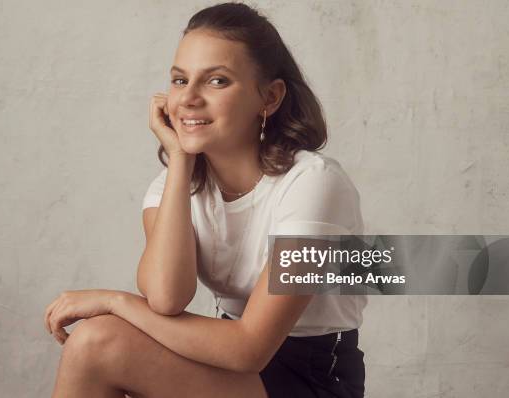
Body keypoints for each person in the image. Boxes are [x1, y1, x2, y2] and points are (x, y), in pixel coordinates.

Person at [44, 3, 366, 397]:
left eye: (216, 81)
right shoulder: (171, 188)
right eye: (180, 81)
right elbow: (166, 298)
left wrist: (114, 301)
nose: (189, 99)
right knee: (95, 341)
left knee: (99, 341)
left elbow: (250, 349)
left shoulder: (313, 184)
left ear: (270, 97)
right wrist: (180, 160)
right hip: (222, 357)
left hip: (310, 376)